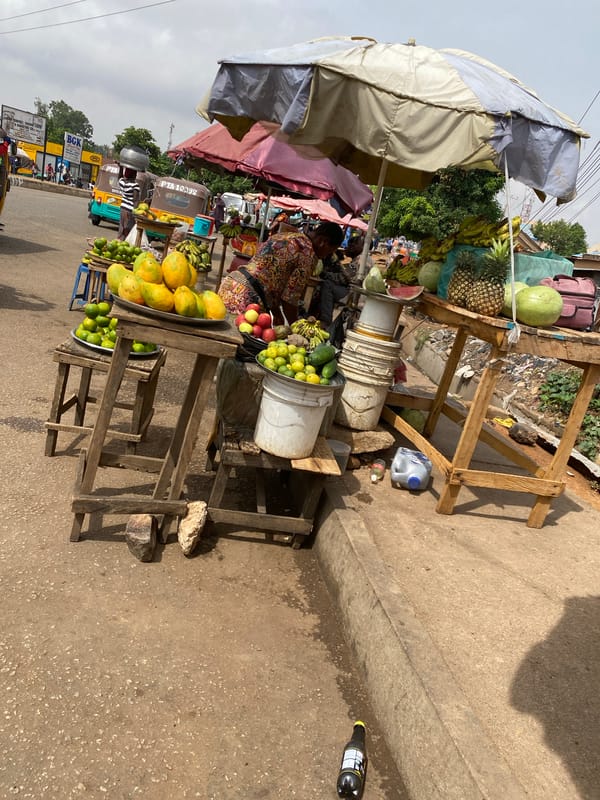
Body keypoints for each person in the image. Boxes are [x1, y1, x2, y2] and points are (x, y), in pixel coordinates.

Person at [218, 222, 344, 324]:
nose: (325, 256)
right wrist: (294, 327)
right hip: (247, 297)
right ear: (324, 242)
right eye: (329, 251)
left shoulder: (286, 236)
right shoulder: (308, 255)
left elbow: (270, 277)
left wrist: (276, 312)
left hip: (230, 283)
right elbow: (290, 298)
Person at [117, 166, 140, 240]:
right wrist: (136, 214)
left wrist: (120, 167)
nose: (136, 175)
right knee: (127, 230)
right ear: (133, 175)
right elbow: (135, 200)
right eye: (135, 174)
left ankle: (119, 241)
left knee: (122, 227)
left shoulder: (122, 183)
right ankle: (123, 244)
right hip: (129, 211)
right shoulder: (135, 185)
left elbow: (119, 177)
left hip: (122, 209)